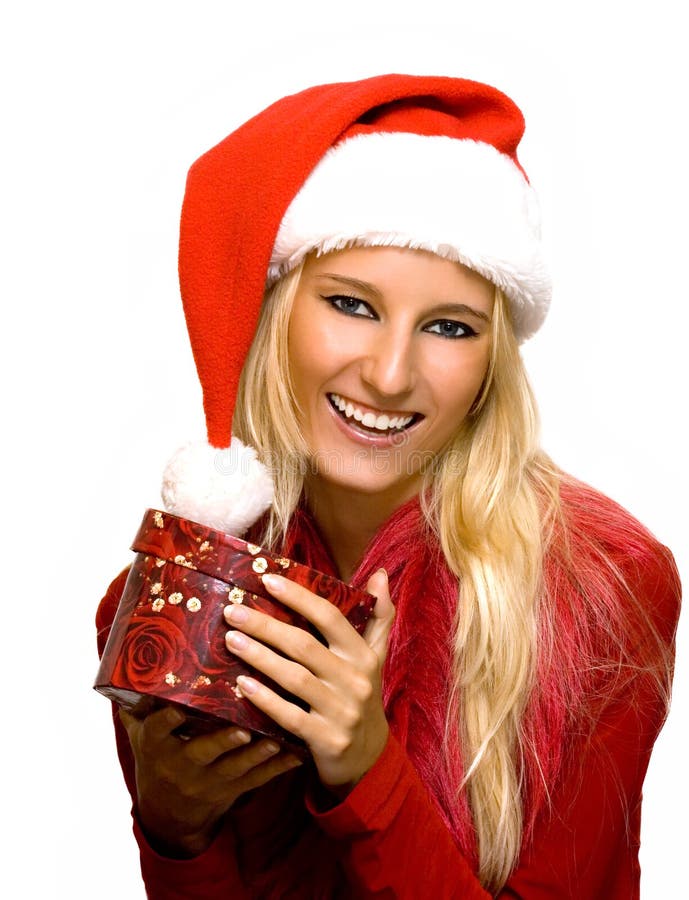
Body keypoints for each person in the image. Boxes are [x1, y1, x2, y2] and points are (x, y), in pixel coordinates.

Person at [96, 74, 681, 898]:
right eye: (350, 304)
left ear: (490, 364)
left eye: (449, 327)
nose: (390, 373)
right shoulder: (177, 598)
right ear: (276, 313)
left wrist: (366, 771)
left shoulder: (604, 582)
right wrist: (174, 830)